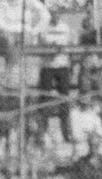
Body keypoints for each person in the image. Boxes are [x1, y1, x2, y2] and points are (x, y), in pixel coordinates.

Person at [39, 11, 74, 141]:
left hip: (62, 66)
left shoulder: (65, 27)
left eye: (57, 13)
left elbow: (69, 45)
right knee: (45, 99)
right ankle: (43, 132)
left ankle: (66, 133)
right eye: (53, 13)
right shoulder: (43, 28)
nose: (55, 15)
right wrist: (51, 47)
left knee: (64, 99)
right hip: (48, 66)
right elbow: (42, 45)